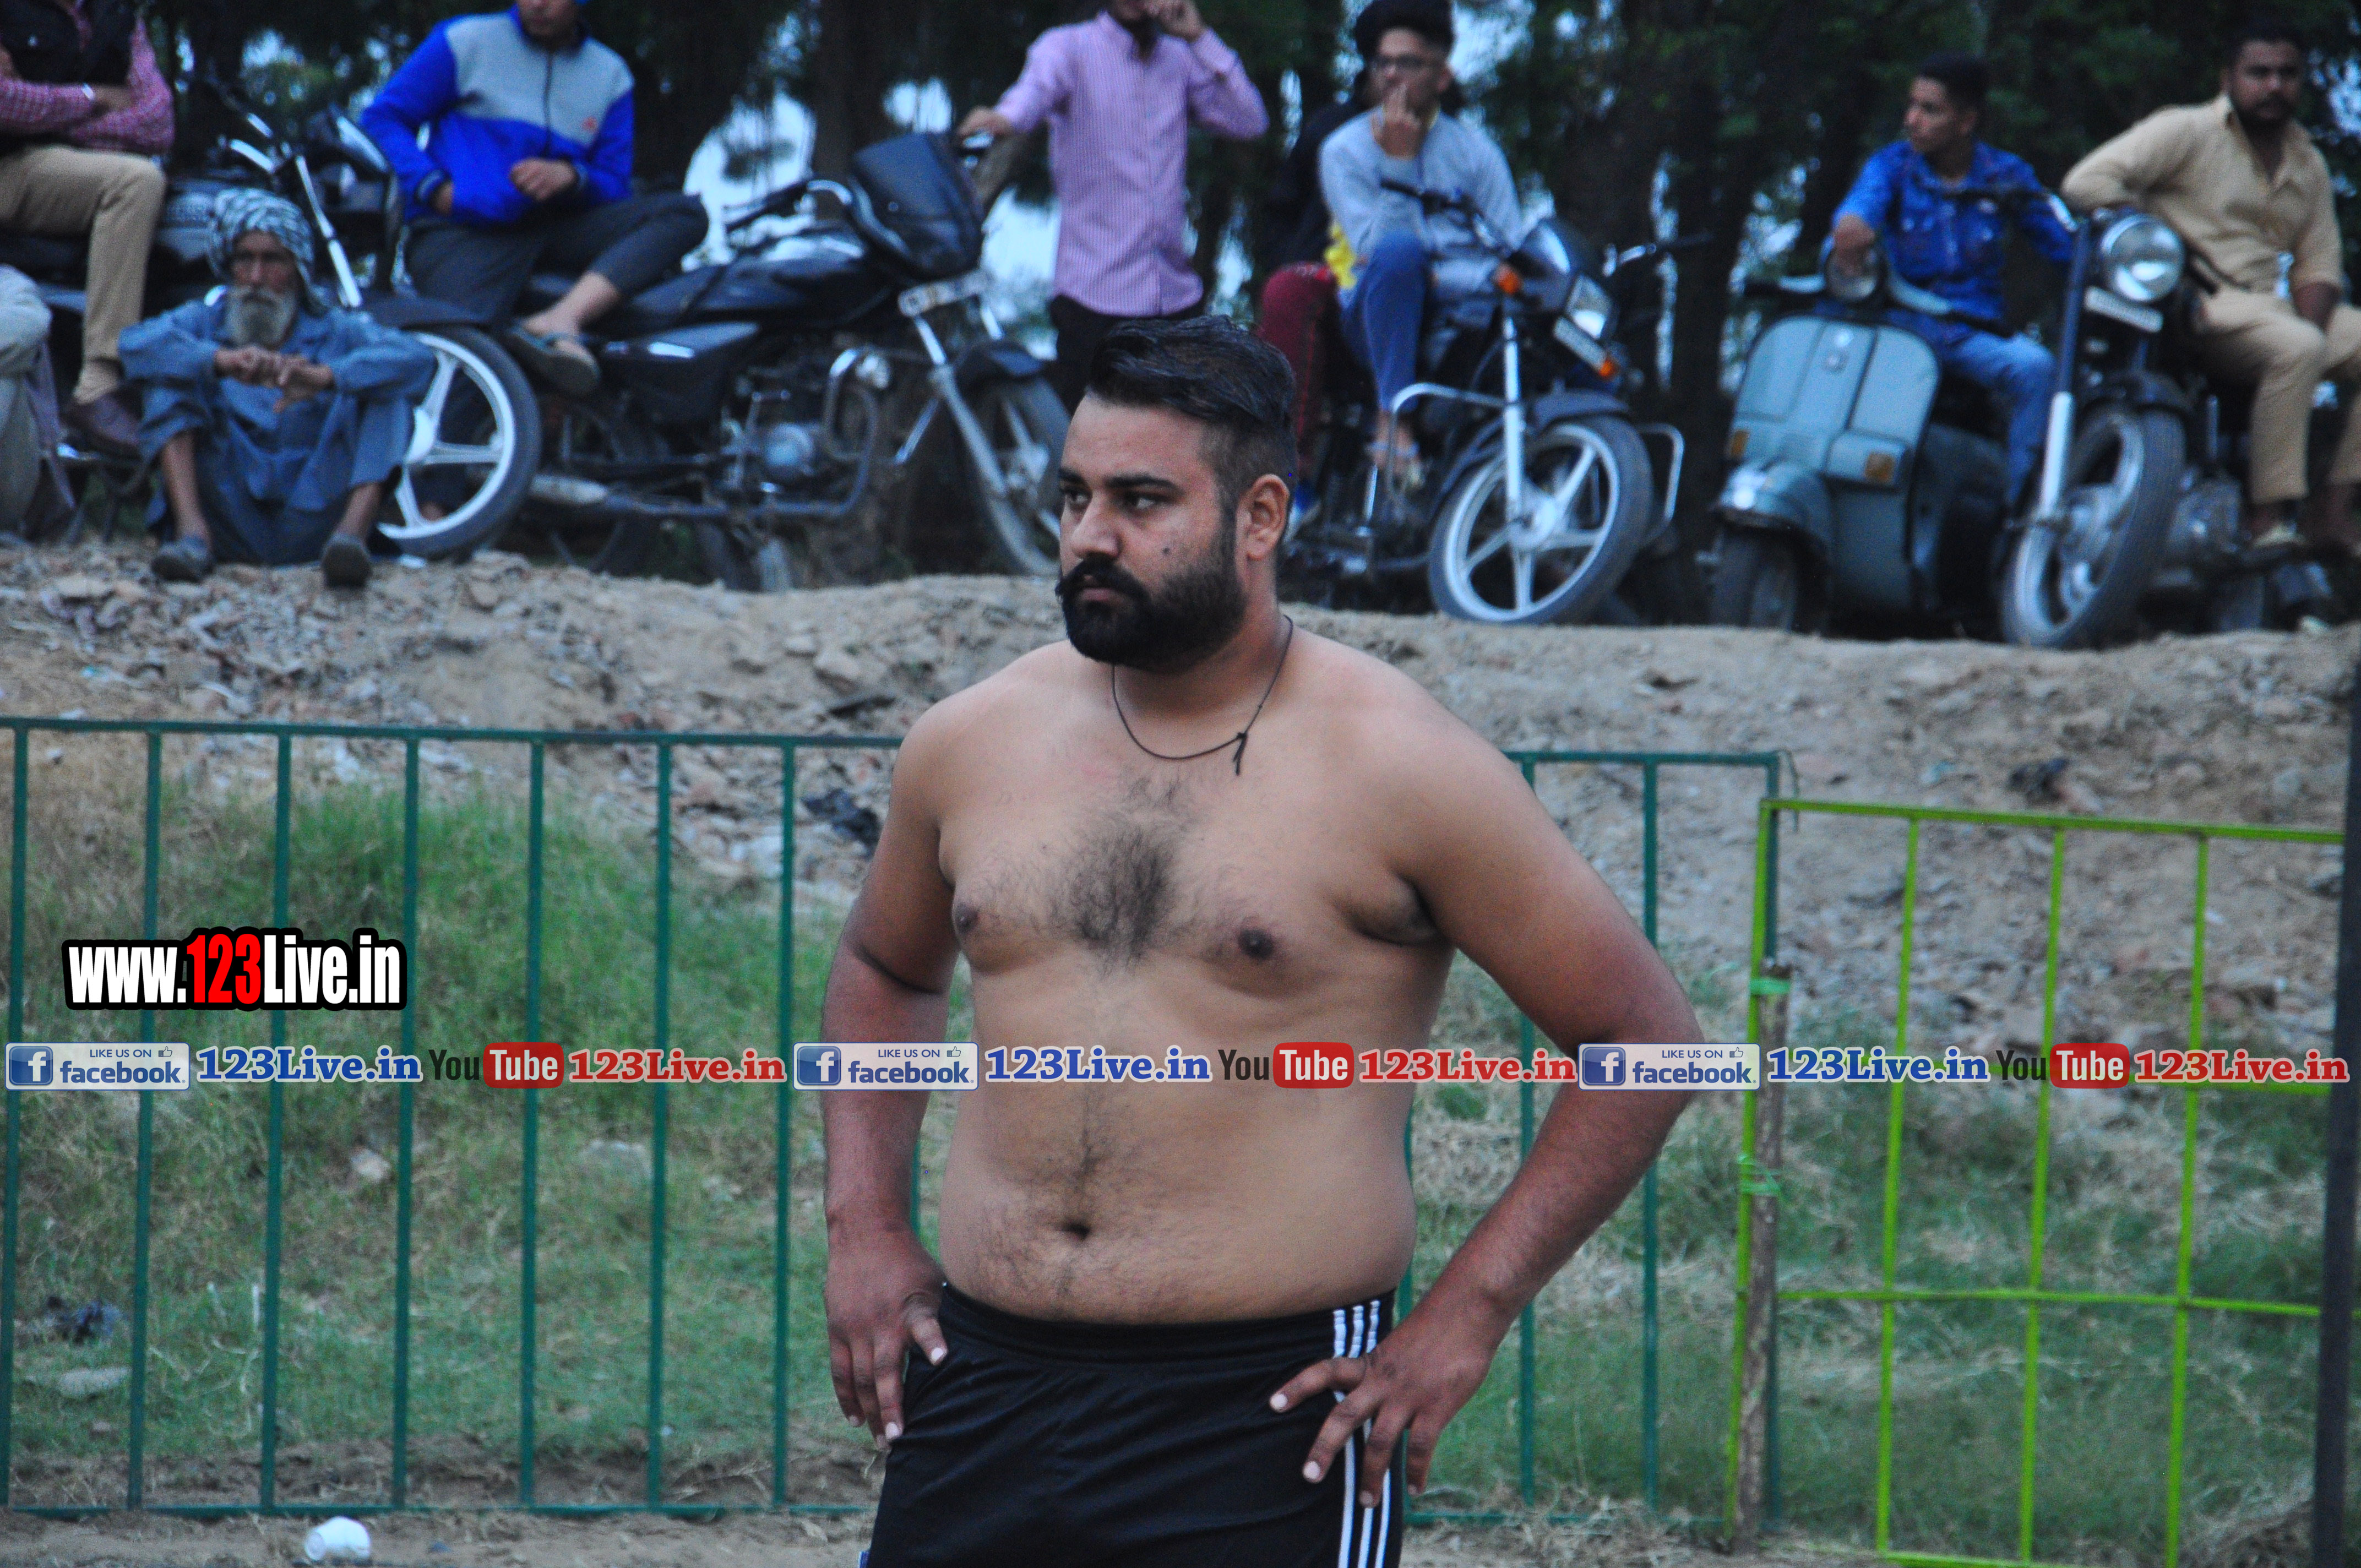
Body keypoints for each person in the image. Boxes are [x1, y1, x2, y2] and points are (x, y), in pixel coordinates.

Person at [823, 317, 1697, 1567]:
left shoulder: (1399, 763)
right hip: (982, 1379)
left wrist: (1467, 1316)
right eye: (1072, 496)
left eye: (1139, 501)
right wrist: (863, 1225)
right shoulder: (971, 738)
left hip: (1269, 1415)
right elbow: (885, 966)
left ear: (1259, 515)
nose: (1087, 536)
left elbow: (1645, 1041)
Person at [2063, 17, 2357, 552]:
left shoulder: (2307, 162)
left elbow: (2318, 265)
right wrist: (2161, 247)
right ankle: (2266, 520)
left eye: (2287, 74)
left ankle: (2332, 510)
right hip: (2198, 301)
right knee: (2297, 347)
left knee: (2313, 341)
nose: (2274, 86)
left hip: (2270, 308)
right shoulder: (2187, 130)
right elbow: (2086, 182)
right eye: (2258, 73)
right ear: (2229, 79)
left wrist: (2315, 335)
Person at [358, 0, 709, 397]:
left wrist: (572, 177)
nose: (538, 5)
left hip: (557, 228)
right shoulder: (467, 39)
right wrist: (434, 188)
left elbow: (615, 181)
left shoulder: (610, 75)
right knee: (469, 374)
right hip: (463, 232)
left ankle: (563, 318)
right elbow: (383, 119)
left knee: (683, 213)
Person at [956, 0, 1267, 409]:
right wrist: (1003, 118)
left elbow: (1249, 121)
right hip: (1094, 296)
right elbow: (1030, 97)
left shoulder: (1180, 59)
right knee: (1090, 437)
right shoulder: (1068, 48)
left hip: (1172, 295)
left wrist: (1199, 37)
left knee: (1175, 436)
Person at [123, 191, 437, 589]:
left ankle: (351, 540)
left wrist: (329, 376)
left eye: (272, 261)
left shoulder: (337, 329)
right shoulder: (203, 321)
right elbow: (134, 345)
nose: (256, 278)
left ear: (298, 270)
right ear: (228, 267)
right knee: (171, 376)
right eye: (244, 260)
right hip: (227, 511)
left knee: (385, 386)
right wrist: (218, 361)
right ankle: (191, 538)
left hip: (317, 513)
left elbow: (418, 360)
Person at [1830, 52, 2072, 507]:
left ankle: (2021, 513)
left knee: (2037, 370)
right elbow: (1861, 208)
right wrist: (1851, 226)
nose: (1912, 120)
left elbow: (2065, 248)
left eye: (1930, 110)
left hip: (1971, 331)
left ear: (1966, 121)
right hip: (1899, 328)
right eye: (1911, 105)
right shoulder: (1893, 166)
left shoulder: (2006, 175)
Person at [1318, 0, 1519, 476]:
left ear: (1442, 77)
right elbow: (1376, 255)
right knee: (1399, 254)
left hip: (1467, 309)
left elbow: (1509, 252)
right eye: (1382, 63)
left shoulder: (1477, 153)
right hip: (1376, 314)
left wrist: (1449, 280)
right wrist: (1399, 164)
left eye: (1408, 63)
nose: (1391, 74)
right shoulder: (1343, 151)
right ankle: (1394, 414)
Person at [0, 0, 173, 459]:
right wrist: (92, 99)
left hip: (57, 164)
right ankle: (99, 386)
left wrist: (49, 123)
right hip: (10, 166)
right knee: (135, 182)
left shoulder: (117, 17)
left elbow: (157, 122)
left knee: (154, 188)